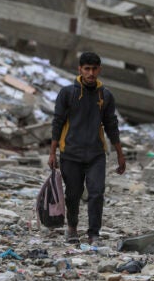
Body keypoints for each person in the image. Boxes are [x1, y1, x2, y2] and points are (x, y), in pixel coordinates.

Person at [50, 52, 126, 244]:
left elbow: (111, 125)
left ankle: (94, 234)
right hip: (71, 153)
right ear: (80, 70)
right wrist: (53, 152)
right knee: (73, 194)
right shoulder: (67, 93)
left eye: (94, 69)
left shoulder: (105, 96)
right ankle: (72, 228)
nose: (91, 73)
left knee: (97, 192)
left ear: (99, 70)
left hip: (96, 154)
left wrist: (120, 154)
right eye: (87, 69)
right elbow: (57, 123)